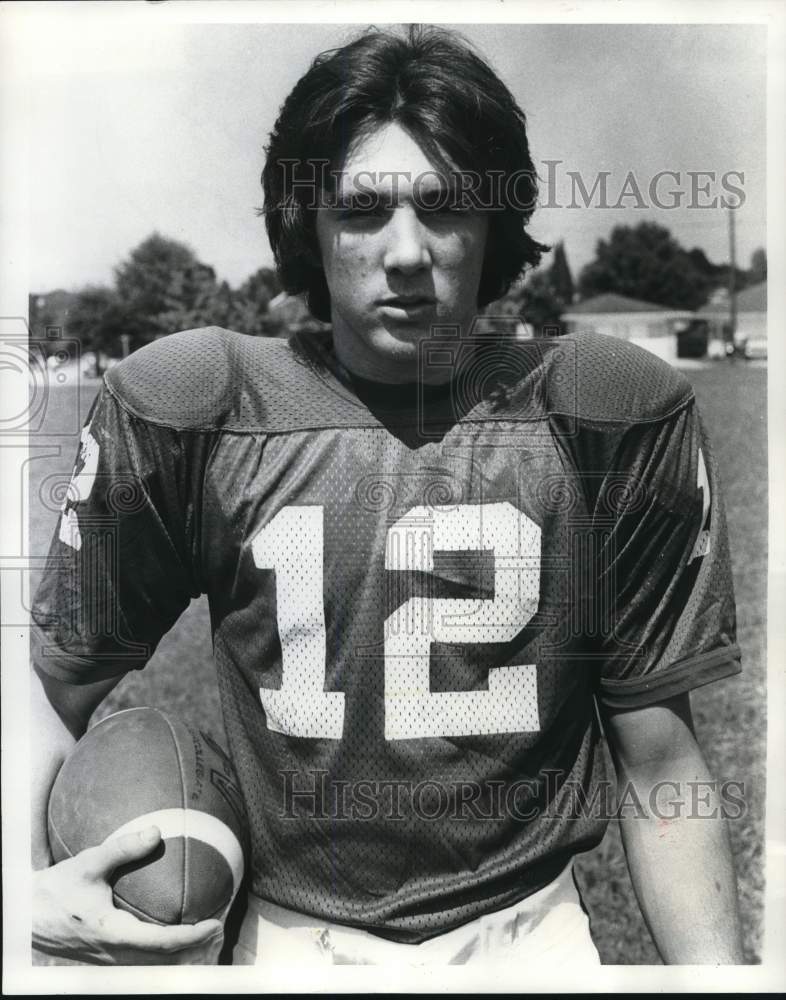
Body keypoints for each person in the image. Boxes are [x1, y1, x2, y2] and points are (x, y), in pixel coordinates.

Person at [30, 24, 744, 966]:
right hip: (287, 944)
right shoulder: (195, 405)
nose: (406, 251)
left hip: (530, 938)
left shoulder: (607, 413)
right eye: (361, 209)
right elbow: (54, 683)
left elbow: (659, 766)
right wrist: (18, 897)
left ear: (494, 221)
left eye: (444, 205)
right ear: (309, 228)